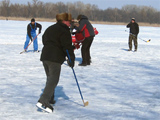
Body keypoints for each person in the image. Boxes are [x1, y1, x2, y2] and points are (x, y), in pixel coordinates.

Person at [36, 13, 75, 113]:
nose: (70, 24)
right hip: (54, 58)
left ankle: (50, 98)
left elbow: (44, 39)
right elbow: (67, 46)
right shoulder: (64, 30)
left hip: (45, 56)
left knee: (50, 78)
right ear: (64, 21)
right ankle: (43, 101)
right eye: (69, 22)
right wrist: (71, 59)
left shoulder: (50, 28)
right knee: (53, 79)